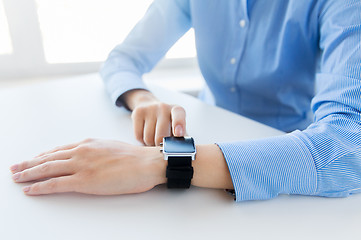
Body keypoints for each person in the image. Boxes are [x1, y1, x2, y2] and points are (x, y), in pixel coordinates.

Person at [10, 0, 361, 201]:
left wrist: (161, 163)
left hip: (285, 157)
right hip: (207, 132)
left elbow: (347, 147)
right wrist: (141, 97)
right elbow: (123, 60)